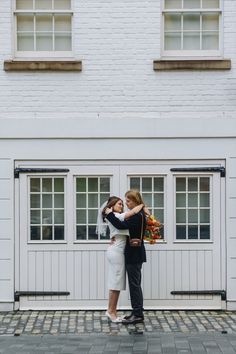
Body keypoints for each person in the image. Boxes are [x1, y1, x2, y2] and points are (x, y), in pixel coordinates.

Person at [105, 190, 148, 324]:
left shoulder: (137, 216)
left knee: (134, 285)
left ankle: (138, 314)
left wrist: (109, 215)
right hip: (128, 254)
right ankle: (135, 312)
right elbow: (119, 226)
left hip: (133, 255)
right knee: (133, 284)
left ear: (135, 201)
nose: (125, 204)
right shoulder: (135, 214)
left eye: (128, 201)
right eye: (123, 202)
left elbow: (121, 225)